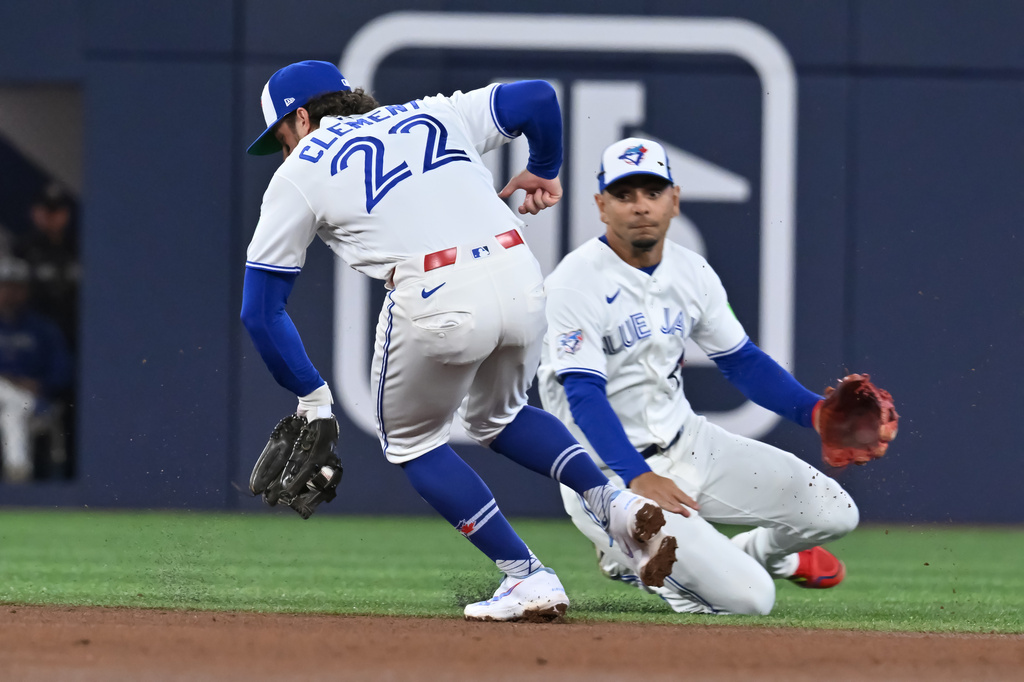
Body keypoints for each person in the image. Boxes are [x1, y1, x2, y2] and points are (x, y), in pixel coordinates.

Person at [240, 61, 680, 621]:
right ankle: (613, 503)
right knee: (502, 416)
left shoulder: (300, 169)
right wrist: (543, 168)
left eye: (279, 135)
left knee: (413, 443)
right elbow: (537, 97)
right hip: (519, 272)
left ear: (301, 118)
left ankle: (527, 577)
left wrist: (310, 396)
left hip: (438, 289)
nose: (282, 149)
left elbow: (260, 310)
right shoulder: (434, 111)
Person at [537, 137, 860, 615]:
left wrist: (814, 411)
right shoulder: (575, 281)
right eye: (625, 195)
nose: (640, 206)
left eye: (652, 192)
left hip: (689, 443)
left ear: (674, 200)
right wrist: (636, 476)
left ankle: (748, 554)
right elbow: (583, 395)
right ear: (602, 206)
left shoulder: (693, 271)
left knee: (836, 513)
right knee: (752, 601)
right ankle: (636, 557)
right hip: (606, 476)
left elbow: (741, 360)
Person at [0, 257, 73, 482]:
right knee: (9, 404)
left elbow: (63, 370)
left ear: (26, 290)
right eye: (5, 286)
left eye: (16, 286)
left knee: (11, 410)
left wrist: (40, 384)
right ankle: (18, 473)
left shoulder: (42, 329)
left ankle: (17, 472)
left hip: (32, 404)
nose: (10, 292)